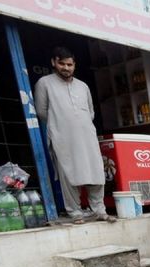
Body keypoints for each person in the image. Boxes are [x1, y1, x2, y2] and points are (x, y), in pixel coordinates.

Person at [34, 47, 115, 224]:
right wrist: (63, 122)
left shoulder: (83, 86)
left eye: (69, 64)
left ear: (74, 65)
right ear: (53, 62)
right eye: (61, 63)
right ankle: (76, 213)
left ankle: (99, 211)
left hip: (87, 136)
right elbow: (41, 112)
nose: (66, 68)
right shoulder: (44, 83)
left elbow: (91, 112)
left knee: (95, 171)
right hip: (62, 136)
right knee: (68, 173)